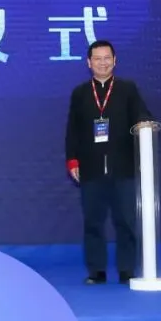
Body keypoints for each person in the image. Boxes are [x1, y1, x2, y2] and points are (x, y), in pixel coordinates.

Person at [65, 39, 153, 285]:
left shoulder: (128, 89)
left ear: (115, 60)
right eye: (97, 59)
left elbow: (142, 114)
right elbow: (72, 131)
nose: (102, 63)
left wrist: (144, 122)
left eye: (107, 58)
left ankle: (126, 269)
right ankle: (96, 271)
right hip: (90, 167)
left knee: (126, 221)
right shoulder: (80, 93)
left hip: (123, 166)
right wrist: (72, 161)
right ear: (88, 63)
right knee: (93, 222)